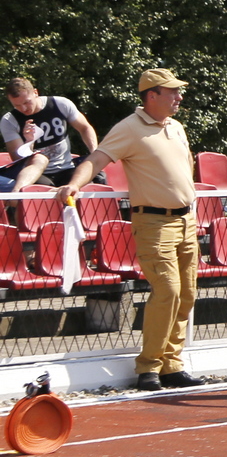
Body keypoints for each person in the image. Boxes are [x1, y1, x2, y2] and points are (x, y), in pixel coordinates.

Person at [53, 69, 206, 390]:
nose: (179, 98)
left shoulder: (176, 127)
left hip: (186, 221)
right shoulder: (129, 128)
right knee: (168, 291)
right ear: (152, 95)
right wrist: (73, 185)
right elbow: (95, 160)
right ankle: (149, 367)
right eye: (173, 92)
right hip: (153, 221)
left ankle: (171, 364)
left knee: (188, 293)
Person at [2, 77, 98, 193]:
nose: (24, 109)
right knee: (40, 192)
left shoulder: (60, 104)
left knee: (89, 185)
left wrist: (95, 153)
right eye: (17, 106)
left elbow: (85, 128)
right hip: (38, 174)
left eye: (27, 102)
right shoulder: (9, 120)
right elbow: (18, 160)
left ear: (35, 93)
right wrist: (29, 142)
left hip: (66, 168)